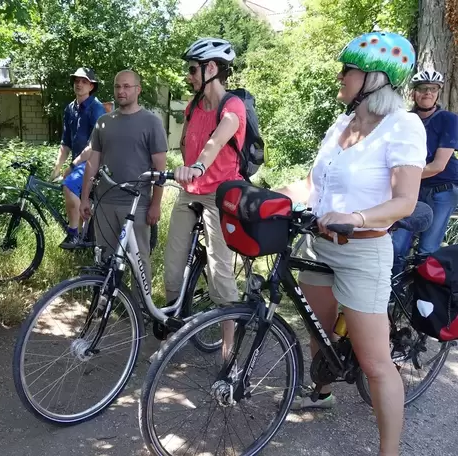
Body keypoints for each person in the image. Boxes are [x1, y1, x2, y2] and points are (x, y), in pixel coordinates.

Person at [275, 32, 426, 456]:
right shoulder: (342, 124)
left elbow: (404, 200)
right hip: (320, 244)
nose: (340, 77)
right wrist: (271, 195)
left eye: (348, 70)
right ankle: (321, 391)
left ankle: (388, 450)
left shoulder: (403, 125)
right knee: (319, 333)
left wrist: (356, 217)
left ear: (376, 78)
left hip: (364, 249)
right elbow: (313, 183)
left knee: (376, 362)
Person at [165, 37, 246, 358]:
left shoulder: (233, 107)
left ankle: (229, 352)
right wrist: (183, 167)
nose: (189, 75)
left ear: (212, 68)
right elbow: (188, 143)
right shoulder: (192, 106)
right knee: (172, 268)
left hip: (221, 195)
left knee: (220, 273)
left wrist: (197, 166)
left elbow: (215, 143)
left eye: (193, 69)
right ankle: (174, 325)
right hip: (191, 191)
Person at [79, 70, 167, 287]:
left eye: (127, 86)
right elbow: (92, 163)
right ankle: (105, 306)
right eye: (118, 86)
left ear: (138, 89)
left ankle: (141, 310)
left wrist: (156, 204)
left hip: (137, 205)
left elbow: (160, 169)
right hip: (104, 203)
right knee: (104, 259)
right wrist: (84, 198)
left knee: (139, 261)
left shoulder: (151, 122)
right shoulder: (103, 122)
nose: (121, 91)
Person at [392, 69, 458, 273]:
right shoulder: (403, 120)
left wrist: (399, 178)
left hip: (442, 188)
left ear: (438, 93)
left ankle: (422, 298)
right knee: (397, 246)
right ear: (413, 93)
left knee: (427, 249)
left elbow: (438, 165)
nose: (427, 93)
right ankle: (393, 295)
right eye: (422, 88)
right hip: (413, 189)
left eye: (433, 89)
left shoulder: (448, 119)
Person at [49, 67, 106, 248]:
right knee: (70, 186)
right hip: (78, 161)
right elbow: (65, 143)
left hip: (93, 161)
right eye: (76, 81)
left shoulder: (96, 108)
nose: (79, 84)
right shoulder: (70, 109)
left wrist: (71, 167)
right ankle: (82, 233)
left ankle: (73, 234)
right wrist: (57, 167)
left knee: (69, 185)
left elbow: (94, 146)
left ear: (91, 86)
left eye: (84, 81)